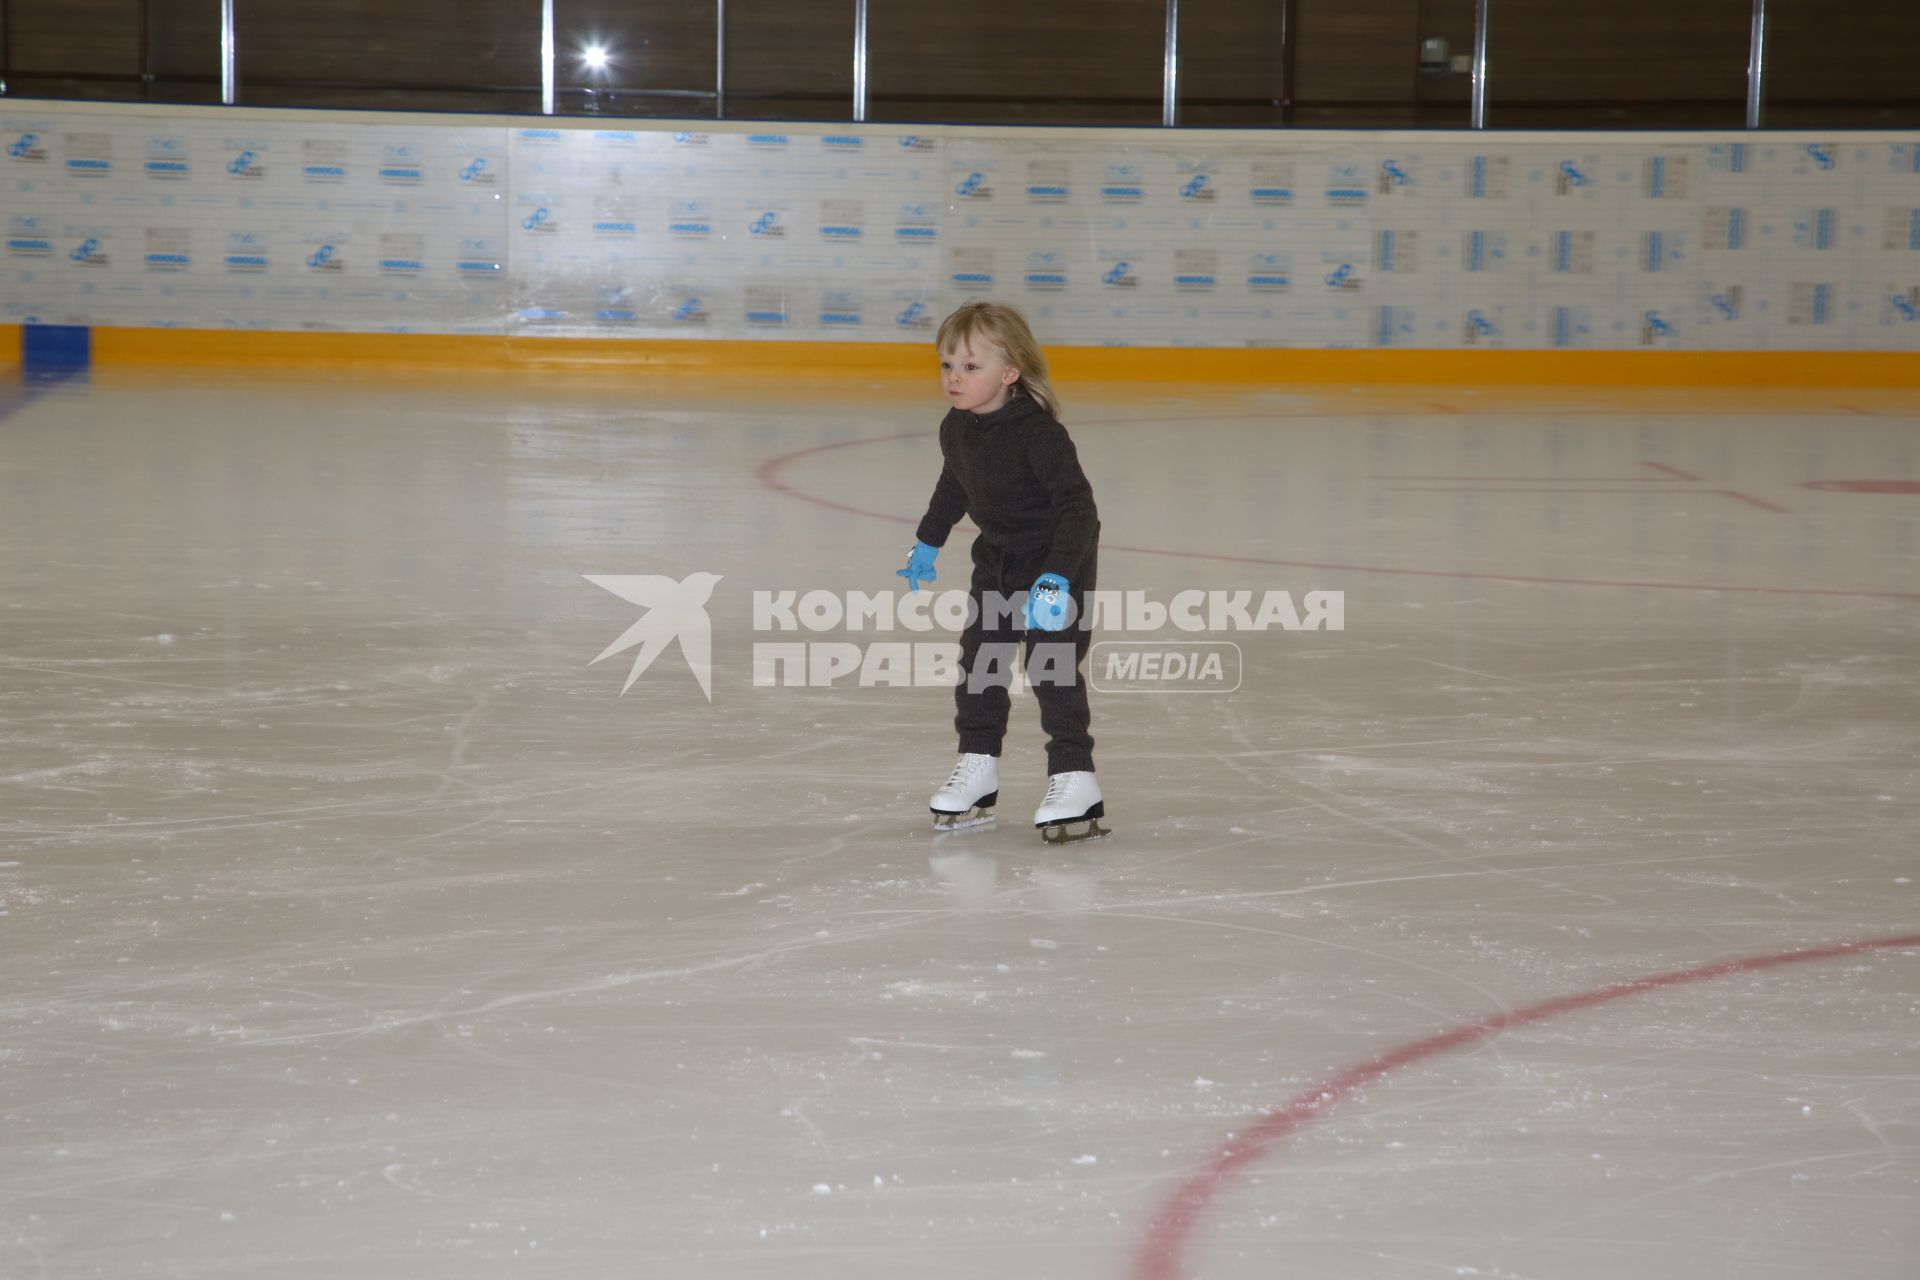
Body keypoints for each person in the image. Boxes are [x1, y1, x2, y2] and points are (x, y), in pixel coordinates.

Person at [896, 301, 1107, 843]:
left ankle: (1073, 775)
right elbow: (954, 485)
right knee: (981, 663)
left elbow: (1079, 509)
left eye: (970, 366)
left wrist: (1058, 575)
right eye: (946, 364)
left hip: (1056, 566)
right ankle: (977, 765)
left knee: (1051, 666)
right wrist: (928, 540)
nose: (953, 378)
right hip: (997, 564)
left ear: (1009, 372)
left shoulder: (1039, 435)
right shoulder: (958, 428)